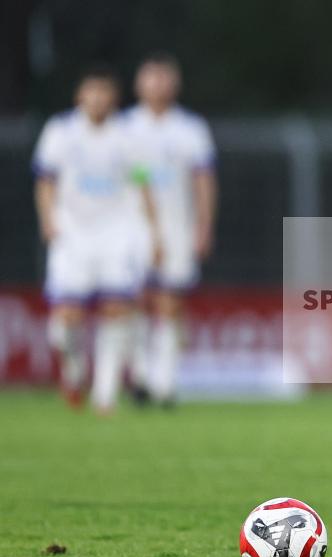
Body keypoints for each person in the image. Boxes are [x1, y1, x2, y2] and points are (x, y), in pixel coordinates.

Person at [34, 65, 162, 415]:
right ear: (80, 96)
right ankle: (74, 371)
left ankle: (104, 395)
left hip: (115, 233)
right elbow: (45, 180)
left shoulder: (127, 137)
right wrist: (48, 219)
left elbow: (143, 183)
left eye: (105, 93)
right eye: (92, 92)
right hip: (72, 232)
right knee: (66, 319)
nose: (98, 99)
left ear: (114, 99)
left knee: (117, 309)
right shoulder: (60, 132)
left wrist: (154, 232)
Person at [124, 52, 218, 406]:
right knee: (133, 300)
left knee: (171, 302)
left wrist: (205, 224)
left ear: (175, 84)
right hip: (131, 226)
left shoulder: (190, 129)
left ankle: (166, 381)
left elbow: (204, 180)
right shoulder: (126, 127)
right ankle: (140, 374)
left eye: (165, 78)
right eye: (152, 77)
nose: (158, 85)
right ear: (139, 84)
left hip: (178, 224)